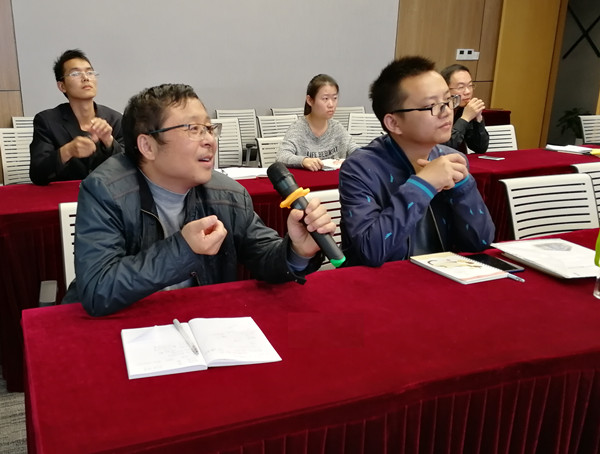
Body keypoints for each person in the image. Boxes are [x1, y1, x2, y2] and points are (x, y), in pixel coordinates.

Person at [62, 83, 336, 316]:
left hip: (199, 324)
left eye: (209, 128)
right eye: (193, 129)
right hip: (126, 326)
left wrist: (296, 251)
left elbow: (263, 257)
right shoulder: (105, 191)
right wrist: (183, 248)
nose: (209, 140)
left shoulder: (228, 193)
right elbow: (98, 290)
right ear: (148, 146)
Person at [338, 56, 495, 267]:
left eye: (448, 100)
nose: (447, 112)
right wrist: (423, 184)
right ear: (394, 123)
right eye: (432, 105)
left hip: (444, 277)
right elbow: (370, 251)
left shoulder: (451, 159)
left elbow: (481, 242)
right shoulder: (360, 168)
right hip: (387, 283)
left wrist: (463, 187)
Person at [29, 49, 124, 185]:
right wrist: (67, 151)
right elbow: (37, 174)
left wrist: (109, 142)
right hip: (65, 196)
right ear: (62, 86)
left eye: (90, 72)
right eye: (75, 73)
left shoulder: (115, 119)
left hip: (108, 195)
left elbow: (132, 167)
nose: (86, 78)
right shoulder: (47, 121)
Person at [276, 74, 358, 171]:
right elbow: (281, 156)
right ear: (310, 100)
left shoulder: (337, 127)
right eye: (325, 99)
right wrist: (303, 161)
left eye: (335, 98)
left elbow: (357, 152)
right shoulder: (298, 128)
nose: (331, 104)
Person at [440, 64, 489, 154]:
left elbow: (480, 148)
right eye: (461, 87)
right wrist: (465, 118)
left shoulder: (464, 108)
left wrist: (478, 119)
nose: (468, 91)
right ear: (446, 89)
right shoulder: (438, 110)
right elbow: (444, 148)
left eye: (470, 85)